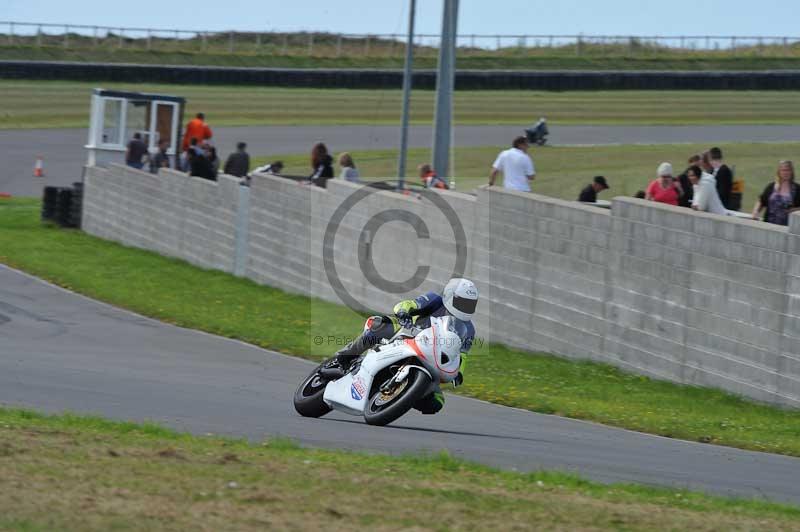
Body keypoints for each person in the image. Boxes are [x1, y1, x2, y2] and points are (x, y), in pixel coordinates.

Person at [319, 278, 479, 415]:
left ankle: (403, 394)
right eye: (462, 302)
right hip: (408, 334)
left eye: (469, 304)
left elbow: (462, 354)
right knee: (380, 325)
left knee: (436, 402)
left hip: (431, 357)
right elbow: (409, 304)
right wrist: (404, 312)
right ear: (450, 296)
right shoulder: (435, 300)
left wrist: (459, 373)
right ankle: (344, 358)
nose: (465, 307)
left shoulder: (469, 329)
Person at [751, 160, 800, 226]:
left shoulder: (797, 189)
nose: (786, 173)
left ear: (792, 172)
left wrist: (794, 210)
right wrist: (755, 212)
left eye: (788, 170)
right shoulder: (771, 186)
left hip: (787, 227)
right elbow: (761, 201)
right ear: (779, 172)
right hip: (768, 225)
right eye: (783, 170)